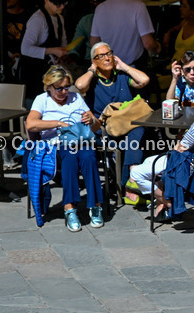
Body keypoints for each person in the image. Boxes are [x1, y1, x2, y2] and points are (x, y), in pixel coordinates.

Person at [127, 78, 194, 220]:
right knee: (149, 162)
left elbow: (182, 147)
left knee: (136, 172)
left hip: (190, 163)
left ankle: (168, 203)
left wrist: (179, 139)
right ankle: (163, 201)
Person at [26, 64, 105, 232]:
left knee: (89, 156)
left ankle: (95, 206)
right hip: (55, 144)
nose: (64, 92)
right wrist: (58, 123)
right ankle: (70, 208)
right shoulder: (42, 99)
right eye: (59, 88)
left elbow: (97, 128)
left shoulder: (76, 98)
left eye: (67, 87)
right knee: (69, 158)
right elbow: (31, 124)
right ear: (49, 86)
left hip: (80, 140)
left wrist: (92, 119)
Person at [74, 41, 150, 192]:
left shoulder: (121, 75)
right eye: (101, 56)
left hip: (125, 125)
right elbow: (80, 86)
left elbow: (144, 80)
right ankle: (129, 184)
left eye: (109, 54)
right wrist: (91, 69)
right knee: (135, 141)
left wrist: (125, 67)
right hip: (102, 129)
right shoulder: (93, 79)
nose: (107, 58)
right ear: (94, 61)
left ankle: (129, 181)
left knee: (139, 130)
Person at [20, 0, 70, 96]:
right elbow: (25, 49)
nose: (62, 6)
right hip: (34, 73)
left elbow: (63, 41)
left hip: (51, 72)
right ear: (46, 1)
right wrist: (52, 51)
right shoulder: (38, 19)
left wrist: (62, 55)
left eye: (64, 3)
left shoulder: (60, 18)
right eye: (58, 3)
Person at [90, 0, 161, 68]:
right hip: (134, 68)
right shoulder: (138, 6)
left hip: (110, 67)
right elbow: (148, 44)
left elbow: (94, 43)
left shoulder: (100, 8)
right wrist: (157, 47)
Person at [163, 0, 194, 66]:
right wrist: (168, 34)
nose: (180, 9)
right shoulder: (184, 23)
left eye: (184, 6)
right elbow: (172, 30)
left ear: (193, 11)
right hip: (175, 67)